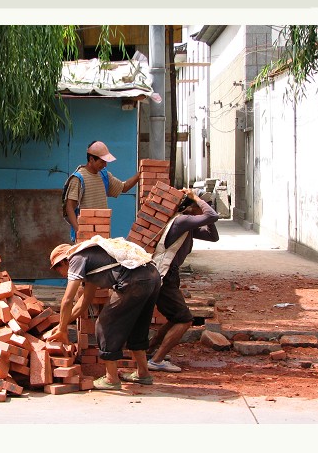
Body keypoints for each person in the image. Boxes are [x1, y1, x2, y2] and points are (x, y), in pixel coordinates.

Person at [47, 236, 161, 390]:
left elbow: (67, 300)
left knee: (104, 324)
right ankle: (143, 374)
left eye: (57, 269)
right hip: (152, 276)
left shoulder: (76, 258)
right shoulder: (91, 258)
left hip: (134, 280)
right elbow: (83, 303)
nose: (60, 274)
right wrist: (63, 324)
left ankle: (111, 379)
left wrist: (62, 330)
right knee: (138, 324)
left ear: (64, 261)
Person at [147, 188, 220, 373]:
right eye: (202, 204)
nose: (205, 207)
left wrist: (202, 207)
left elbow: (213, 236)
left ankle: (150, 351)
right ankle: (156, 360)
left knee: (175, 317)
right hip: (165, 276)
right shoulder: (182, 221)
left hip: (167, 276)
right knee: (185, 319)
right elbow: (212, 216)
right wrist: (195, 197)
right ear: (192, 206)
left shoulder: (186, 225)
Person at [63, 140, 141, 242]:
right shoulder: (78, 178)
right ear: (91, 159)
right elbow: (69, 207)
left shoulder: (104, 175)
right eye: (102, 161)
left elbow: (124, 187)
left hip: (102, 235)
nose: (105, 165)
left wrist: (139, 175)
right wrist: (79, 231)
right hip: (85, 235)